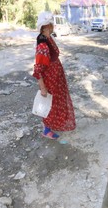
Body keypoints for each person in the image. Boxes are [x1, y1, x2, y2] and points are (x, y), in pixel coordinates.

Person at [32, 11, 76, 139]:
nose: (53, 26)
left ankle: (51, 125)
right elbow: (38, 69)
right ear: (46, 27)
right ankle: (46, 129)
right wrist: (43, 87)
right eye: (51, 24)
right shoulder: (42, 45)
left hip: (56, 79)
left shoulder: (48, 38)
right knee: (49, 104)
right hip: (50, 81)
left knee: (55, 103)